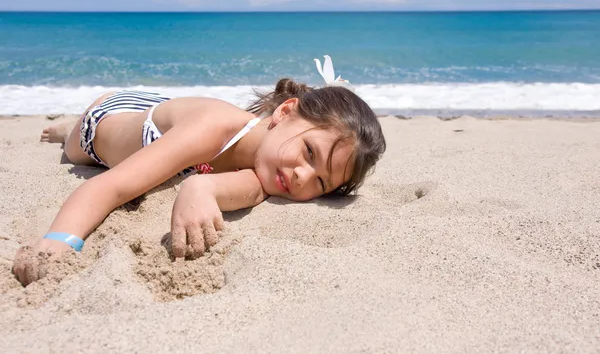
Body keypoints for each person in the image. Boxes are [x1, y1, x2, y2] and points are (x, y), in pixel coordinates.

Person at [12, 56, 386, 286]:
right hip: (108, 120)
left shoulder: (271, 172)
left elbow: (237, 188)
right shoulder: (214, 127)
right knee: (75, 149)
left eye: (321, 182)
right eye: (308, 152)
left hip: (173, 116)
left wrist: (201, 189)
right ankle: (68, 126)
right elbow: (111, 187)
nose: (303, 176)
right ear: (284, 112)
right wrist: (62, 239)